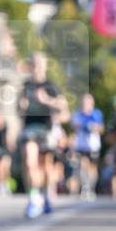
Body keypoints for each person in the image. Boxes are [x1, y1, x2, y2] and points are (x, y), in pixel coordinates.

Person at [17, 52, 69, 218]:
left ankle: (46, 195)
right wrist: (21, 106)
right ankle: (33, 198)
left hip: (46, 129)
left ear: (44, 66)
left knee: (45, 166)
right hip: (29, 128)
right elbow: (18, 110)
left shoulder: (51, 86)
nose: (36, 68)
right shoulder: (26, 86)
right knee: (29, 161)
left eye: (39, 64)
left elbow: (64, 109)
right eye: (33, 64)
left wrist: (47, 100)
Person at [70, 93, 104, 200]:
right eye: (83, 103)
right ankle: (85, 187)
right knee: (82, 165)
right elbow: (73, 126)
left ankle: (91, 187)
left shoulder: (96, 114)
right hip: (81, 145)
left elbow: (101, 128)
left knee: (92, 168)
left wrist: (94, 127)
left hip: (93, 146)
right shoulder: (77, 114)